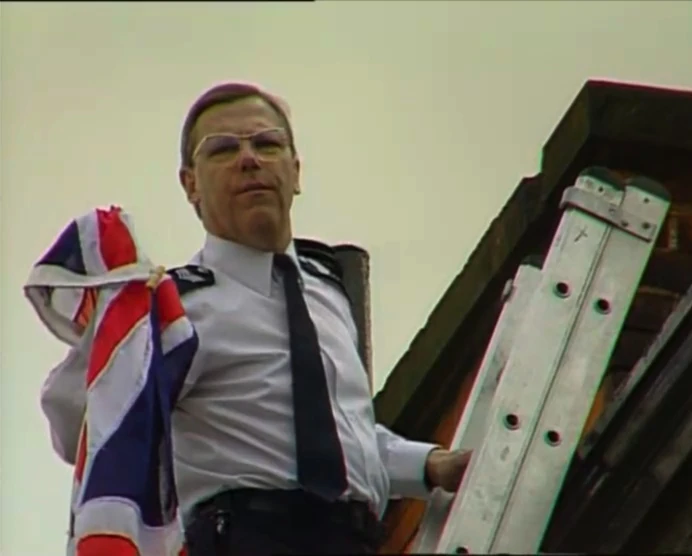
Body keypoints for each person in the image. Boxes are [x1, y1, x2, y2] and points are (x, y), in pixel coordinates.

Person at [45, 82, 472, 556]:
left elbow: (341, 438)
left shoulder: (327, 293)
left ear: (296, 171)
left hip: (352, 538)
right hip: (246, 537)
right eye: (223, 149)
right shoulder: (170, 307)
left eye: (267, 144)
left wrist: (429, 464)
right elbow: (75, 424)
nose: (249, 159)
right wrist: (117, 330)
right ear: (190, 185)